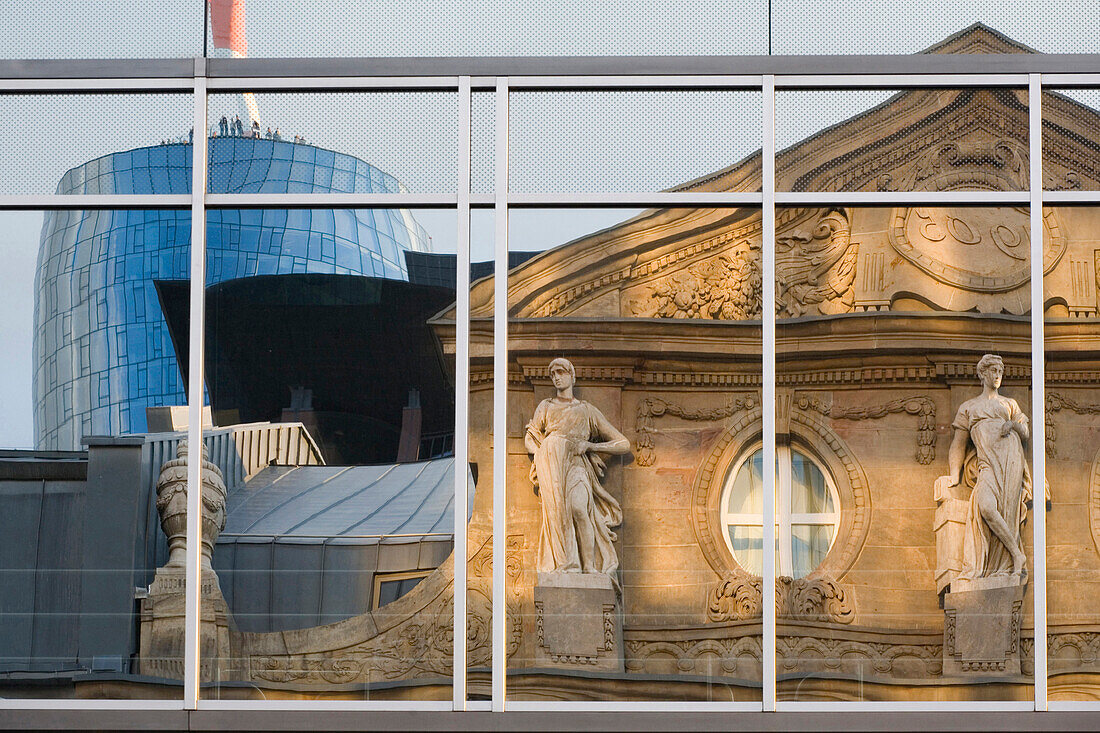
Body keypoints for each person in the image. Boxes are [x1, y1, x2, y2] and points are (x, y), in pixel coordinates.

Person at [525, 358, 630, 577]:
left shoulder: (586, 411)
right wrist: (543, 455)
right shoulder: (545, 406)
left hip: (576, 464)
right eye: (552, 373)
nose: (556, 377)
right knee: (558, 513)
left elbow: (623, 444)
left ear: (572, 376)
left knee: (580, 509)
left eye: (561, 372)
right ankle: (569, 563)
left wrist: (591, 445)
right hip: (552, 466)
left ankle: (589, 566)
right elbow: (530, 438)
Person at [936, 354, 1031, 584]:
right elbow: (958, 444)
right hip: (986, 464)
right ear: (983, 374)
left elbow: (1026, 433)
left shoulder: (1009, 404)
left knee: (1008, 512)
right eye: (994, 371)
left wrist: (1015, 425)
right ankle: (1017, 554)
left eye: (1000, 371)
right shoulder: (969, 407)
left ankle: (1009, 564)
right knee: (986, 507)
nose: (998, 376)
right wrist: (954, 476)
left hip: (1010, 460)